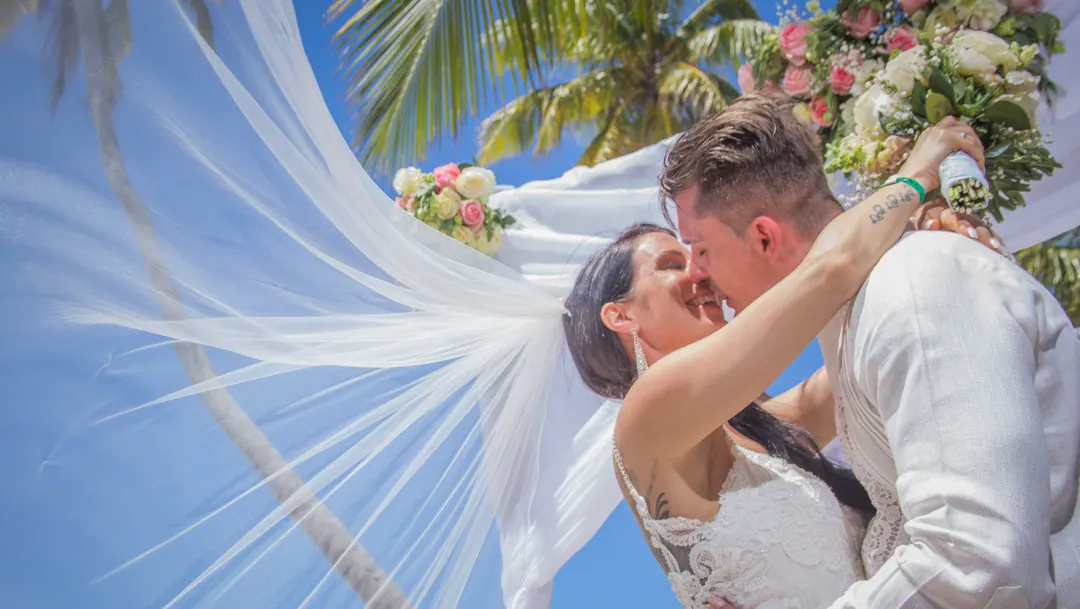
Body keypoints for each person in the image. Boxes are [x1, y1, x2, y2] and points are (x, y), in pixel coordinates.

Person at [662, 94, 1080, 607]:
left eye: (700, 249)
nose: (697, 274)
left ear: (765, 237)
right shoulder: (853, 319)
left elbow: (978, 563)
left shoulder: (915, 287)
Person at [561, 114, 986, 607]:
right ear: (620, 315)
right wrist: (917, 173)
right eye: (673, 265)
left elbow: (857, 362)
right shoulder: (646, 414)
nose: (701, 274)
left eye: (698, 255)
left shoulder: (759, 435)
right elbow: (827, 275)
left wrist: (920, 229)